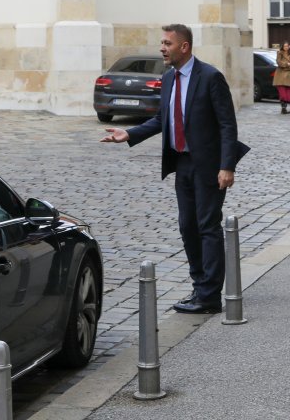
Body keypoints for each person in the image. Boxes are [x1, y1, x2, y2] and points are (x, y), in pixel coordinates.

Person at [101, 24, 249, 314]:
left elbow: (227, 124)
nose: (162, 48)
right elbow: (161, 119)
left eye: (167, 43)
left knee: (207, 226)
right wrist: (129, 134)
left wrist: (227, 166)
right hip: (182, 163)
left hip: (208, 164)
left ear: (184, 47)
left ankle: (209, 297)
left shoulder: (210, 77)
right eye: (162, 43)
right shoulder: (168, 77)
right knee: (187, 226)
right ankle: (199, 286)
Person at [273, 41, 290, 114]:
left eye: (287, 46)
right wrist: (287, 64)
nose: (286, 47)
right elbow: (279, 62)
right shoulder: (279, 53)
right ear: (282, 47)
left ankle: (285, 108)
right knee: (283, 93)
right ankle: (283, 108)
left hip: (288, 75)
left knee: (288, 92)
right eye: (284, 46)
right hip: (281, 75)